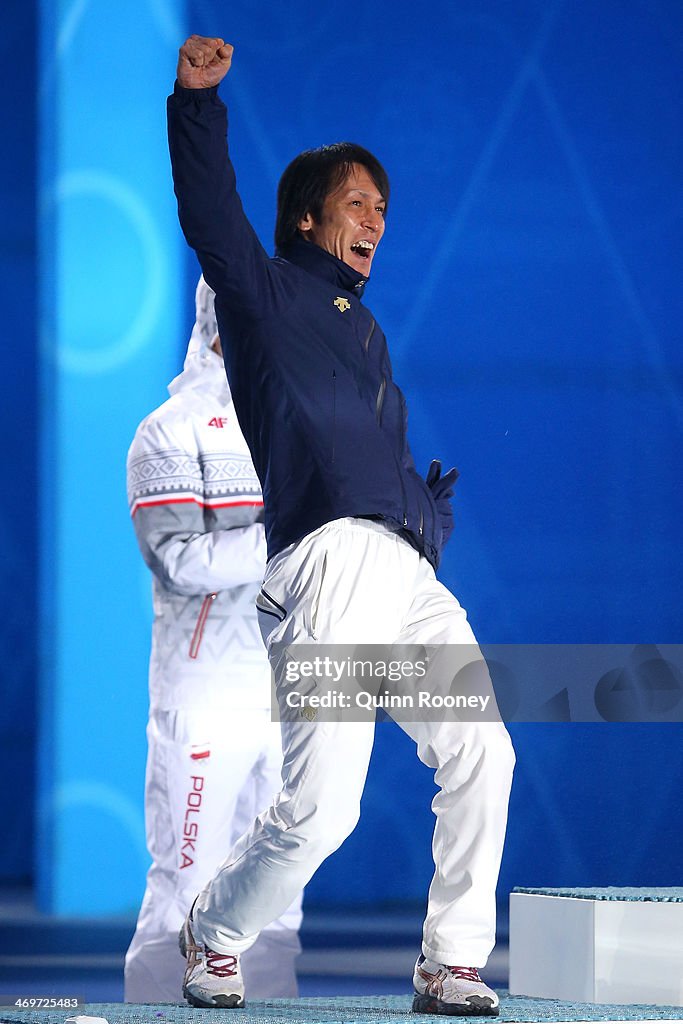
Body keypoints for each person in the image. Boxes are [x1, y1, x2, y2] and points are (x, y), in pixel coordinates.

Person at [166, 34, 515, 1015]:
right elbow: (208, 214)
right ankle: (214, 928)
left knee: (483, 751)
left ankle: (450, 959)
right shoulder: (264, 293)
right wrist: (197, 102)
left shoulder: (362, 328)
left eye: (383, 210)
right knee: (322, 809)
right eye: (358, 202)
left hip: (401, 575)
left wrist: (420, 513)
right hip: (323, 567)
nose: (376, 220)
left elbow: (363, 458)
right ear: (306, 216)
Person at [124, 275, 302, 1002]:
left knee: (276, 895)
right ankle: (154, 1014)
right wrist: (290, 536)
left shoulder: (301, 427)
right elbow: (179, 559)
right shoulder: (169, 429)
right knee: (187, 882)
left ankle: (275, 1015)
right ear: (218, 318)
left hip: (287, 694)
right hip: (203, 692)